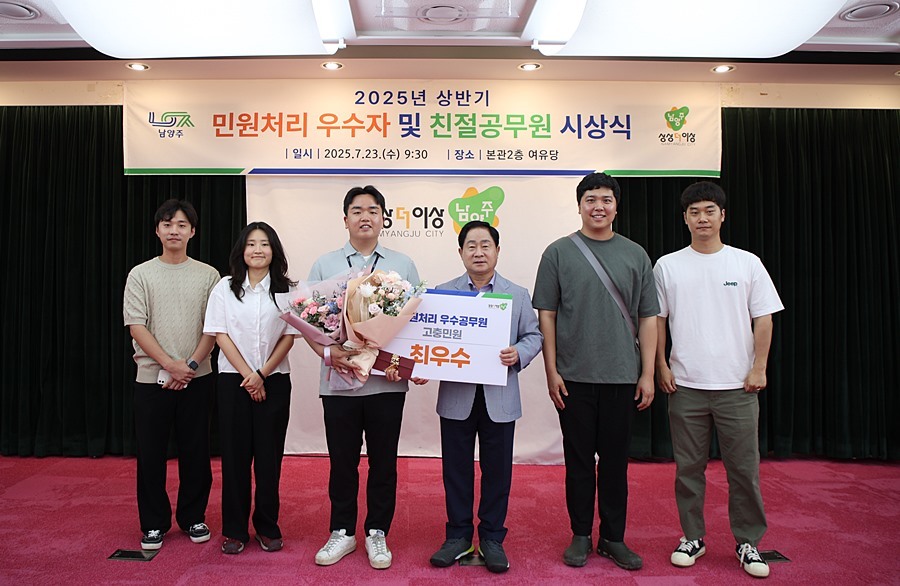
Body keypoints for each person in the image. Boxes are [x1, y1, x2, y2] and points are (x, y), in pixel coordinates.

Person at [654, 181, 784, 579]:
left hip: (737, 387)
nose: (702, 218)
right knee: (688, 470)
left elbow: (764, 318)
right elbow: (657, 322)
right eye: (694, 212)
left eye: (709, 210)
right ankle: (692, 536)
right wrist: (660, 365)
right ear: (685, 219)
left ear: (722, 215)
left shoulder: (746, 263)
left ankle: (748, 542)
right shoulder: (668, 266)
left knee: (743, 470)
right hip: (686, 385)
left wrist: (759, 367)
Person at [532, 172, 658, 570]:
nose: (598, 206)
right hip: (574, 377)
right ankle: (581, 535)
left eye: (606, 199)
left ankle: (613, 538)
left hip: (622, 376)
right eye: (590, 199)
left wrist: (647, 373)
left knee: (616, 463)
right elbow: (547, 315)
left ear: (616, 206)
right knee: (579, 462)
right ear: (579, 206)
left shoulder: (636, 254)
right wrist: (551, 371)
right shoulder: (557, 252)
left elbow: (648, 317)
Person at [305, 185, 423, 570]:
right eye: (357, 211)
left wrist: (415, 365)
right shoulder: (325, 265)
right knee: (342, 462)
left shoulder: (403, 265)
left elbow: (415, 323)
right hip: (339, 381)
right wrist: (330, 353)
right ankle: (342, 531)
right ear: (346, 220)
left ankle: (377, 531)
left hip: (386, 381)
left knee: (384, 462)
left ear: (383, 218)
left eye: (373, 210)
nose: (365, 217)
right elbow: (308, 322)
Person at [428, 221, 543, 573]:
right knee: (456, 471)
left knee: (498, 472)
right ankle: (458, 536)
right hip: (457, 397)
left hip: (500, 398)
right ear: (460, 252)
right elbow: (430, 338)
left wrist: (519, 353)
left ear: (497, 250)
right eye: (471, 246)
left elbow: (534, 336)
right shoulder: (443, 293)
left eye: (485, 245)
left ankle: (492, 537)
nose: (479, 252)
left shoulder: (517, 294)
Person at [123, 199, 220, 551]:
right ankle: (153, 523)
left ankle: (193, 517)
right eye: (167, 224)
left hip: (197, 377)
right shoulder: (140, 274)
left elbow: (214, 327)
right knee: (151, 454)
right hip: (152, 379)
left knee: (197, 451)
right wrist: (169, 364)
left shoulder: (209, 275)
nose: (174, 230)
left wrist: (189, 366)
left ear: (193, 231)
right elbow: (137, 326)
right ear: (157, 231)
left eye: (181, 225)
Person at [203, 222, 298, 554]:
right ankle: (234, 529)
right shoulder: (224, 287)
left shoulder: (288, 290)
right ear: (241, 250)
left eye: (265, 244)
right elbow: (220, 334)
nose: (258, 250)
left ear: (274, 251)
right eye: (252, 244)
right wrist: (249, 375)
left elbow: (289, 336)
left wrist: (262, 374)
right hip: (234, 381)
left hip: (275, 379)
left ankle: (267, 527)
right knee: (235, 457)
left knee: (269, 459)